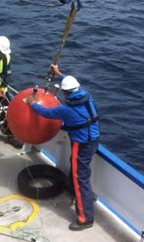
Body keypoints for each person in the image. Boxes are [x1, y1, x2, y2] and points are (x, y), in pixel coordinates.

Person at [25, 64, 100, 231]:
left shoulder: (66, 109)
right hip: (93, 139)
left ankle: (85, 218)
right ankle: (82, 194)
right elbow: (68, 81)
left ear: (66, 93)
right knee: (80, 171)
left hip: (81, 144)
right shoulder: (87, 95)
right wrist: (58, 74)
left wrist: (32, 103)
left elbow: (45, 113)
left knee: (80, 177)